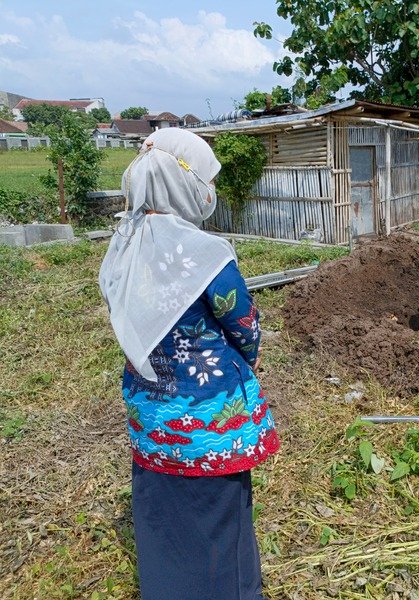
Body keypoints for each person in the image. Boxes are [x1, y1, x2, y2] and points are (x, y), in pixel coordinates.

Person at [99, 128, 278, 600]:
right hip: (206, 421)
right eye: (207, 181)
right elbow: (245, 327)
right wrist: (247, 360)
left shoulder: (123, 243)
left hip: (150, 412)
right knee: (219, 520)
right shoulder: (204, 255)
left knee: (163, 514)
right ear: (187, 185)